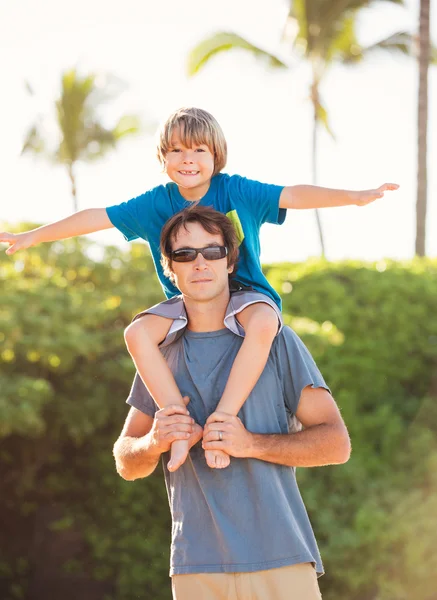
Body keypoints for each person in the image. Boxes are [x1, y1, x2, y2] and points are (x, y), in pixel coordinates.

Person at [0, 106, 393, 472]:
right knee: (137, 332)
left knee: (263, 326)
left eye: (198, 149)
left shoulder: (237, 190)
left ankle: (222, 424)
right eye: (176, 150)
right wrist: (33, 236)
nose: (187, 159)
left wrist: (355, 198)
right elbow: (95, 217)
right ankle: (181, 427)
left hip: (247, 296)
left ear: (216, 156)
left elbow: (294, 194)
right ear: (163, 158)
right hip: (187, 304)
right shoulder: (155, 203)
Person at [113, 205, 351, 600]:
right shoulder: (159, 354)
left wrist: (251, 444)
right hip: (195, 565)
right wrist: (153, 442)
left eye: (212, 251)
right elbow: (126, 460)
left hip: (282, 557)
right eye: (185, 254)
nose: (200, 263)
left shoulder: (277, 342)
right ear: (169, 267)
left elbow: (336, 444)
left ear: (230, 261)